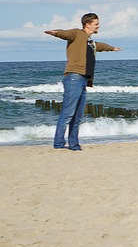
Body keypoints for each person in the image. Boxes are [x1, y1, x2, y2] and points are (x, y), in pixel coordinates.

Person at [44, 13, 121, 150]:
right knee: (68, 113)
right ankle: (59, 144)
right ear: (88, 24)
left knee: (78, 116)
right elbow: (66, 34)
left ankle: (74, 144)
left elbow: (101, 46)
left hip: (83, 80)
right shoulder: (77, 34)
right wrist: (55, 33)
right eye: (96, 23)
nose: (99, 26)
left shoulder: (90, 42)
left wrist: (112, 48)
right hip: (74, 77)